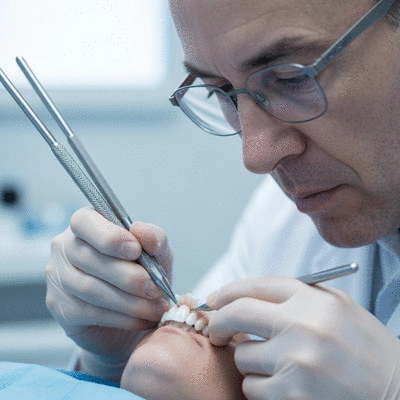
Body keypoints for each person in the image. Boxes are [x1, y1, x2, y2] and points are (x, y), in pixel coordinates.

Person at [45, 0, 400, 398]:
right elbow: (192, 370)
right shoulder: (281, 220)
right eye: (221, 93)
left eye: (292, 78)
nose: (256, 156)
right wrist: (112, 364)